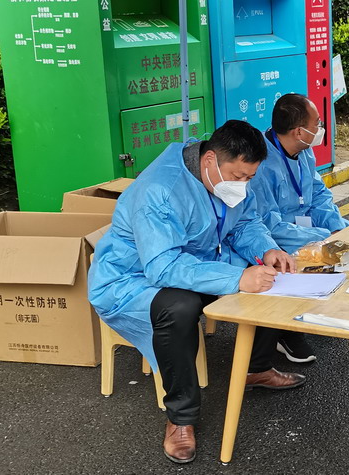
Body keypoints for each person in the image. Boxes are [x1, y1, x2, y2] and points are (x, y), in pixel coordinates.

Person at [88, 120, 304, 465]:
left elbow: (245, 223)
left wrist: (267, 250)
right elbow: (162, 267)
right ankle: (181, 417)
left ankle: (256, 367)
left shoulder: (225, 176)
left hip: (200, 260)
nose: (242, 185)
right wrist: (237, 278)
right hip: (132, 278)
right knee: (180, 307)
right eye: (238, 176)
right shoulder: (159, 190)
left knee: (269, 278)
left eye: (249, 178)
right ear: (210, 160)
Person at [249, 93, 349, 364]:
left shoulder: (304, 150)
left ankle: (325, 307)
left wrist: (336, 228)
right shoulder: (260, 162)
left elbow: (319, 195)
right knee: (325, 251)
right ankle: (286, 329)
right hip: (279, 236)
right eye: (317, 123)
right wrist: (325, 237)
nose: (320, 128)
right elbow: (269, 224)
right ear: (298, 131)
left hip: (308, 229)